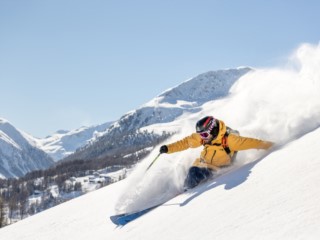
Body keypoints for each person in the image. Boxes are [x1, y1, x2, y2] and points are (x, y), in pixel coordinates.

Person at [159, 116, 273, 190]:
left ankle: (187, 189)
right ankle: (183, 187)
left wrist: (271, 145)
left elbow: (252, 143)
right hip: (202, 163)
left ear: (213, 130)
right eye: (200, 135)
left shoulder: (230, 140)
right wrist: (168, 148)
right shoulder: (204, 137)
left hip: (216, 168)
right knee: (183, 168)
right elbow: (184, 143)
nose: (201, 138)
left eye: (204, 135)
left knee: (193, 172)